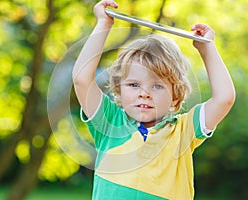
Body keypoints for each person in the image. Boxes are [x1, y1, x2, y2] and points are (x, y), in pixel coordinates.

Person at [72, 0, 235, 199]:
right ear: (119, 90)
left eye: (157, 86)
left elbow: (224, 98)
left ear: (175, 97)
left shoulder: (183, 131)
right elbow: (81, 80)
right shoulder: (109, 123)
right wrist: (103, 25)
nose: (144, 93)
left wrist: (206, 49)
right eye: (134, 85)